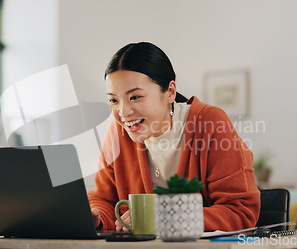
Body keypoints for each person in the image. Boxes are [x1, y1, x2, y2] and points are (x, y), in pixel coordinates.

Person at [88, 42, 260, 232]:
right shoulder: (117, 134)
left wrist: (165, 216)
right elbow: (104, 199)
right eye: (114, 100)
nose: (123, 112)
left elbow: (241, 212)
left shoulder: (210, 122)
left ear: (170, 92)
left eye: (135, 97)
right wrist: (96, 217)